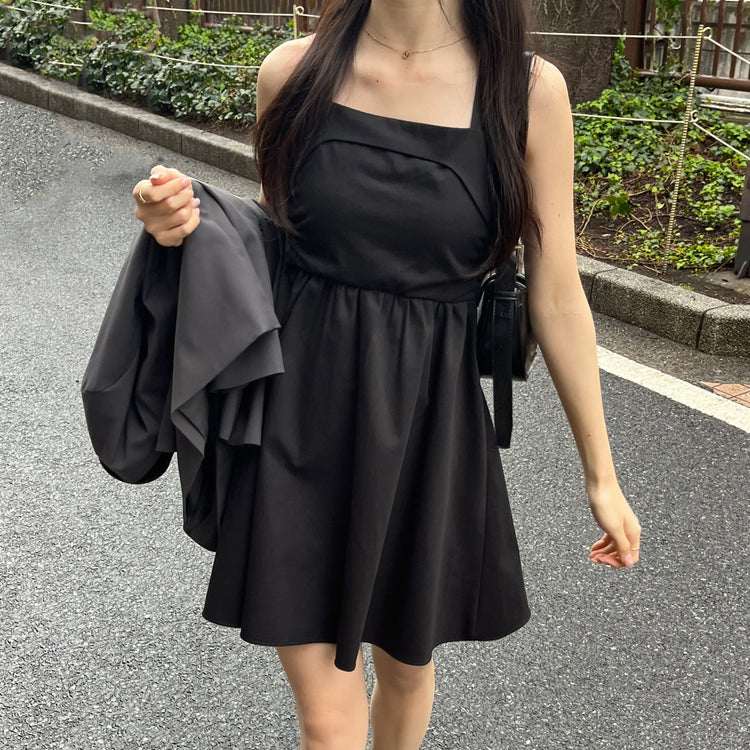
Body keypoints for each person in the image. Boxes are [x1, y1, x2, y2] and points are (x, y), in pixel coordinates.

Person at [130, 0, 642, 747]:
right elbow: (274, 242)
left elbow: (558, 294)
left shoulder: (527, 91)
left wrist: (601, 474)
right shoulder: (292, 73)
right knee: (329, 721)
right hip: (294, 423)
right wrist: (182, 222)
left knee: (405, 669)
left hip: (428, 430)